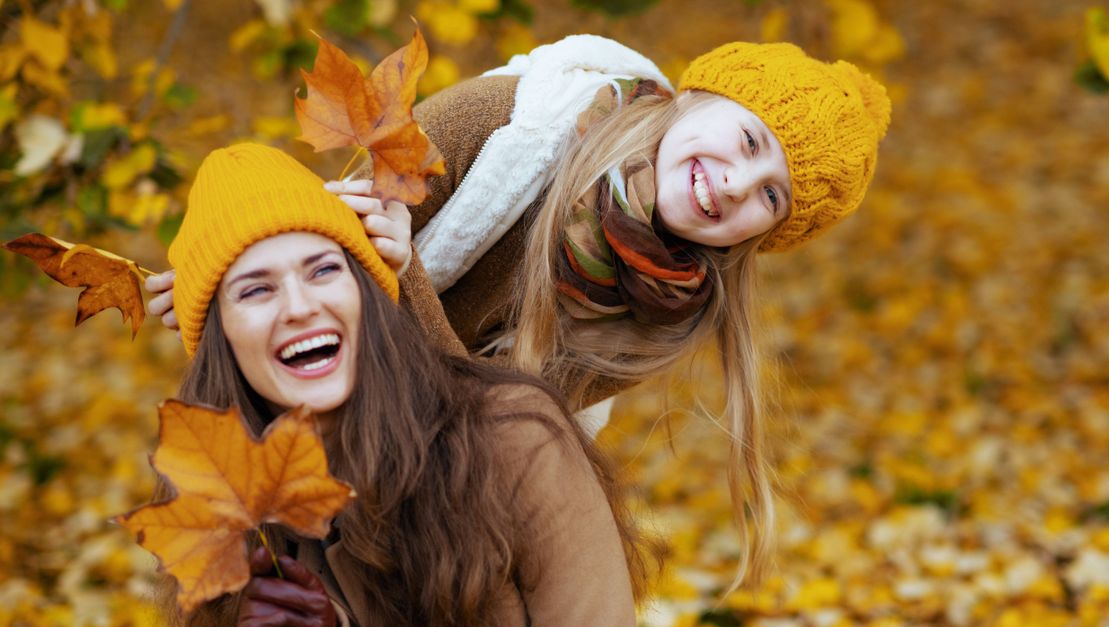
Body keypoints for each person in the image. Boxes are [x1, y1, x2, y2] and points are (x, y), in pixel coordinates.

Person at [148, 36, 892, 589]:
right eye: (750, 140)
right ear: (693, 99)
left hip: (433, 466)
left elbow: (492, 427)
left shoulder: (660, 308)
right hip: (321, 393)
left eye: (771, 197)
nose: (737, 183)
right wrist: (228, 259)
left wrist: (410, 280)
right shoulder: (512, 123)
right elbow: (326, 236)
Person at [155, 142, 712, 627]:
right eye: (255, 291)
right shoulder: (251, 519)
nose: (299, 306)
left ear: (368, 291)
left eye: (323, 270)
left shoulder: (509, 434)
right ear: (221, 340)